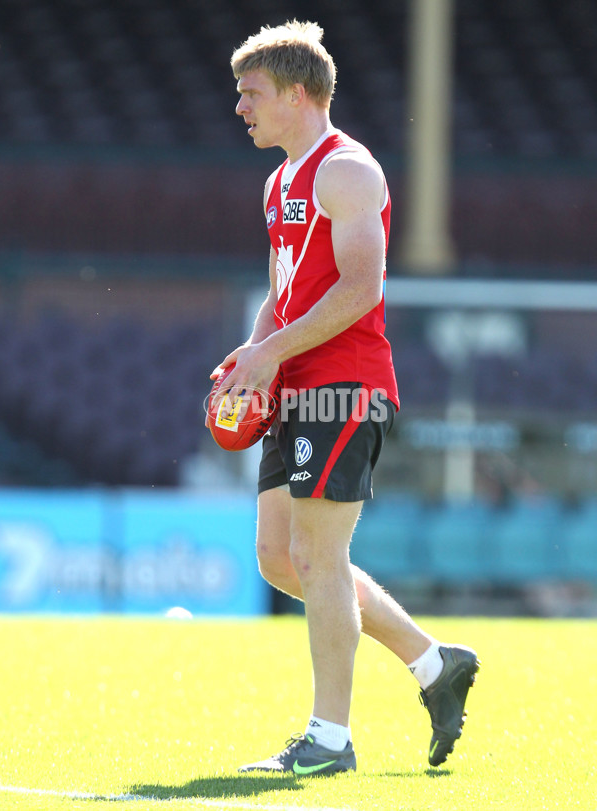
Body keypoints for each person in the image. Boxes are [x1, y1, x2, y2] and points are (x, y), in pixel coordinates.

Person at [212, 19, 479, 775]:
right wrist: (254, 349)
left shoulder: (349, 171)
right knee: (278, 556)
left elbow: (362, 290)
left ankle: (330, 738)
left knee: (316, 554)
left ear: (298, 93)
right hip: (295, 379)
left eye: (251, 93)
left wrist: (273, 350)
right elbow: (282, 292)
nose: (242, 108)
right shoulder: (278, 180)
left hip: (345, 383)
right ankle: (434, 663)